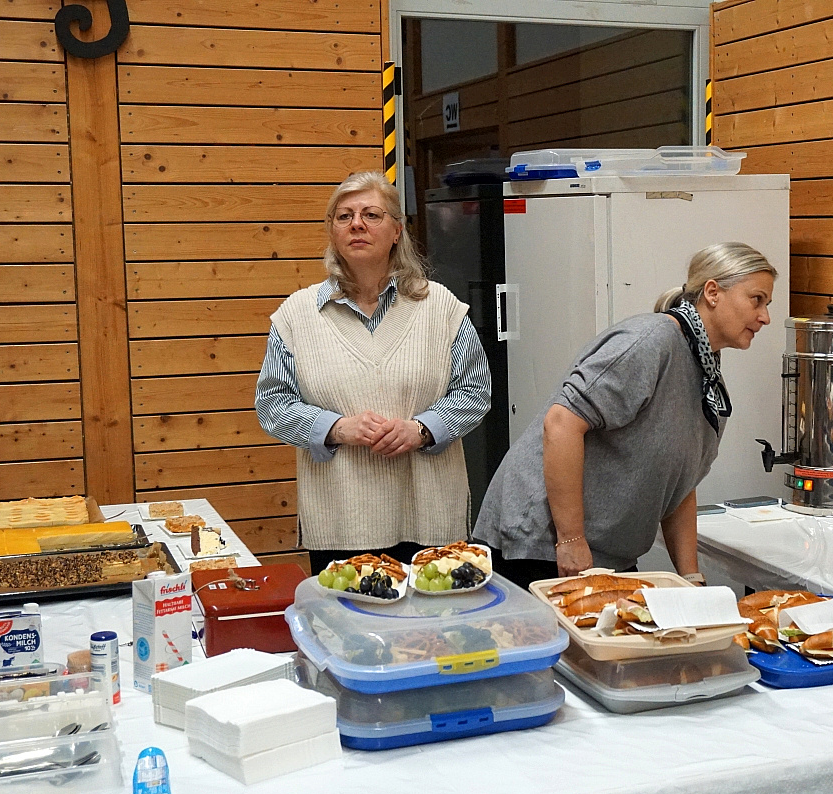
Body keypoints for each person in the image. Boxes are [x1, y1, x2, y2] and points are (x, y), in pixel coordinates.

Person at [472, 242, 777, 589]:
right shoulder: (651, 341)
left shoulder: (706, 371)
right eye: (756, 299)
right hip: (542, 544)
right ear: (712, 293)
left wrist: (690, 579)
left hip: (605, 553)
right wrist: (571, 539)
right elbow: (561, 424)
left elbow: (679, 483)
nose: (765, 317)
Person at [256, 172, 491, 573]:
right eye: (344, 216)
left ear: (397, 231)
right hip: (340, 523)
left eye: (371, 214)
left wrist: (423, 430)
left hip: (429, 518)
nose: (357, 225)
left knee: (431, 614)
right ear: (332, 232)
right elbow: (272, 404)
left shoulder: (441, 308)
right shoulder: (297, 315)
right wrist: (336, 429)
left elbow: (474, 391)